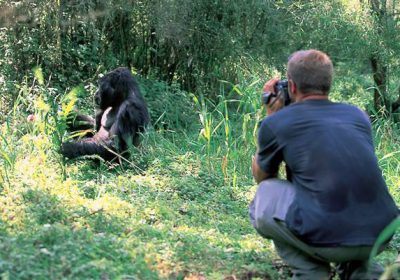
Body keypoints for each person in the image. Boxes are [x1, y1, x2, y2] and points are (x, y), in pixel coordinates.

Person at [250, 49, 399, 280]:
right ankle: (363, 272)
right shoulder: (357, 116)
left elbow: (262, 176)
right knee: (340, 197)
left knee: (265, 194)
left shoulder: (277, 122)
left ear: (291, 86)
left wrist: (271, 115)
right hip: (380, 233)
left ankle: (311, 272)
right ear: (328, 83)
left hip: (328, 237)